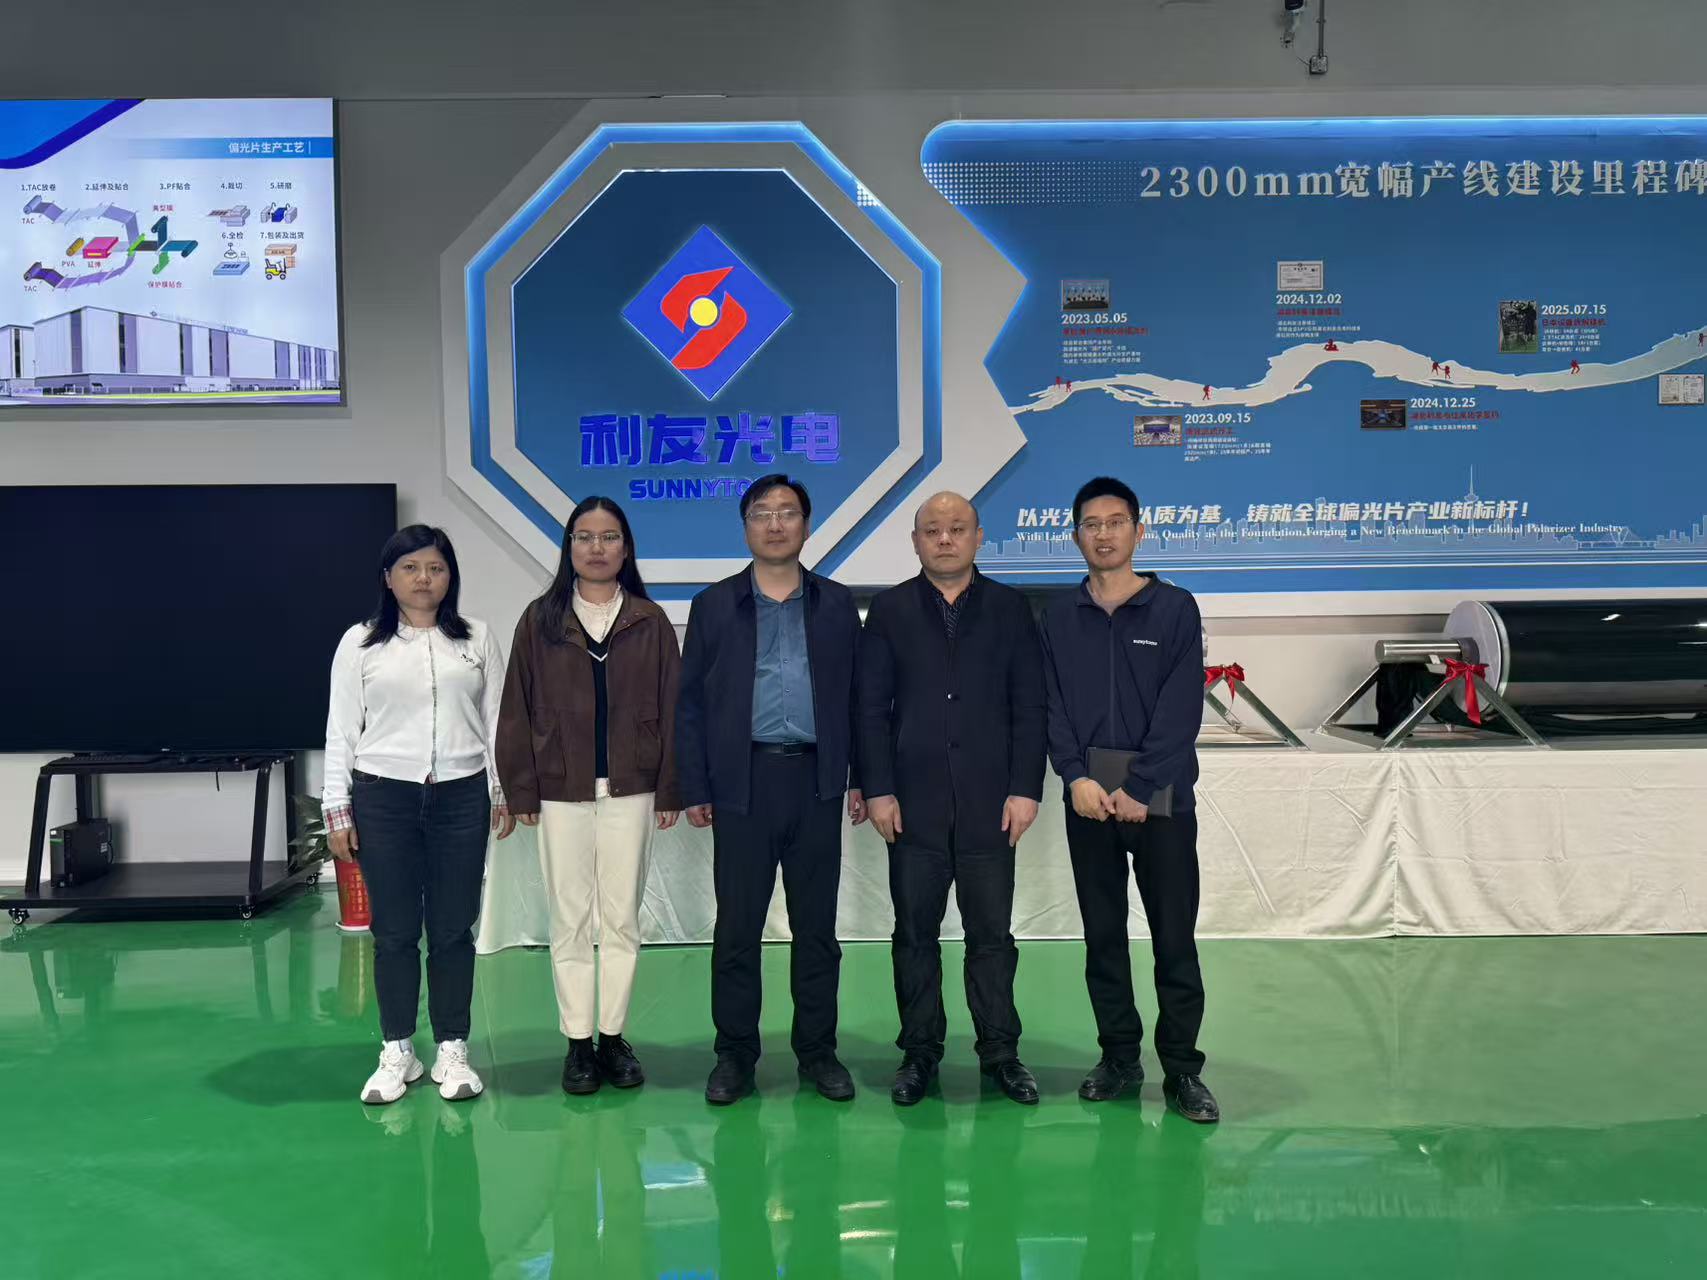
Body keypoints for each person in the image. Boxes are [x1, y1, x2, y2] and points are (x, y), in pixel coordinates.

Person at [676, 473, 866, 1105]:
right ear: (746, 527)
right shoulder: (713, 605)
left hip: (816, 783)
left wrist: (861, 777)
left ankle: (818, 1052)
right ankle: (735, 1056)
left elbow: (860, 700)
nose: (776, 524)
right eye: (762, 513)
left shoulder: (836, 604)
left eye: (788, 512)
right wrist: (695, 784)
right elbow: (690, 704)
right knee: (737, 929)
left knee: (817, 931)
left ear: (806, 526)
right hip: (743, 782)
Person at [1038, 477, 1220, 1123]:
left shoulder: (1174, 609)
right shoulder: (1058, 616)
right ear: (1075, 536)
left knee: (1173, 939)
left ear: (1138, 531)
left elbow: (1181, 707)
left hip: (1160, 798)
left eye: (1115, 522)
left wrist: (1141, 787)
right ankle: (1118, 1057)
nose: (1104, 534)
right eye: (1091, 524)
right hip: (1089, 797)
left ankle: (1182, 1070)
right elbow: (1051, 705)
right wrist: (1074, 777)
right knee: (1103, 936)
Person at [858, 492, 1046, 1106]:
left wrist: (1025, 787)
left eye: (957, 528)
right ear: (915, 541)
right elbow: (870, 709)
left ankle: (1001, 1053)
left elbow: (1030, 705)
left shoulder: (1011, 609)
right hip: (912, 805)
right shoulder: (889, 610)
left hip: (992, 803)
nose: (945, 539)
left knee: (991, 936)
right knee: (914, 935)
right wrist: (878, 788)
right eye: (932, 530)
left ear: (978, 537)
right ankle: (919, 1053)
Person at [495, 496, 681, 1096]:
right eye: (584, 536)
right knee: (569, 917)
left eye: (609, 537)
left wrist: (671, 786)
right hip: (561, 791)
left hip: (633, 789)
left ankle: (613, 1037)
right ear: (569, 547)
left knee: (621, 918)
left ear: (626, 548)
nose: (596, 548)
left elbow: (676, 709)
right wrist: (521, 787)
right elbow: (516, 709)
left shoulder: (650, 621)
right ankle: (577, 1041)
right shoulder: (540, 620)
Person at [323, 525, 514, 1105]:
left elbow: (497, 720)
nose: (423, 578)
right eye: (410, 568)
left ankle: (453, 1047)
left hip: (461, 795)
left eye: (435, 567)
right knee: (395, 931)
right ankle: (398, 1049)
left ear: (450, 575)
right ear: (388, 578)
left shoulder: (476, 637)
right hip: (384, 797)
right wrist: (337, 807)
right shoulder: (360, 642)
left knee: (454, 929)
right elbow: (341, 729)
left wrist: (501, 791)